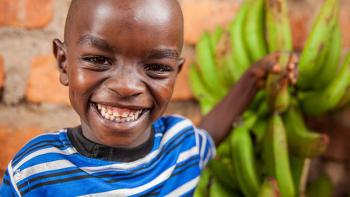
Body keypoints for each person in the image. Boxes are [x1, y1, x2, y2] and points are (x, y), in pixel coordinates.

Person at [0, 0, 297, 196]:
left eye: (156, 68)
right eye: (99, 60)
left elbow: (211, 132)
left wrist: (255, 77)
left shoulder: (178, 147)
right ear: (64, 63)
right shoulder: (35, 170)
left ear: (175, 74)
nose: (127, 86)